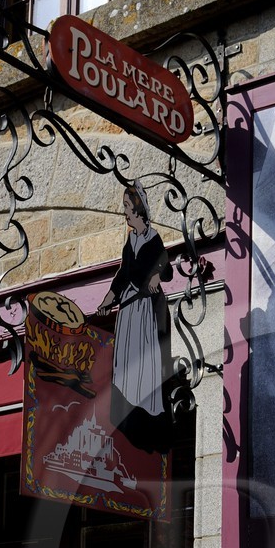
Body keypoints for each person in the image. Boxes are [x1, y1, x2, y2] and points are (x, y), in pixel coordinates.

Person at [95, 180, 173, 450]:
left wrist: (155, 275)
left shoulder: (153, 238)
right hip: (128, 308)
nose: (124, 212)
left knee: (143, 362)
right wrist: (108, 300)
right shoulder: (131, 240)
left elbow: (167, 267)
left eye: (127, 207)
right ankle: (127, 415)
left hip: (144, 310)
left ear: (138, 209)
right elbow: (122, 274)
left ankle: (146, 413)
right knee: (125, 364)